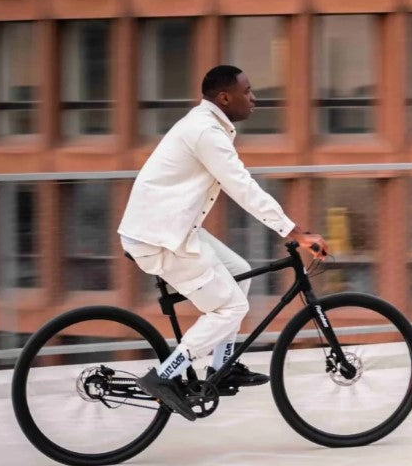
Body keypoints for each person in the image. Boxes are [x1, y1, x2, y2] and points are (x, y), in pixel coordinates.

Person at [118, 65, 329, 421]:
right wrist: (295, 233)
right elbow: (241, 186)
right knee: (228, 308)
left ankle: (224, 365)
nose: (254, 98)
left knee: (240, 273)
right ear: (224, 98)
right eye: (247, 92)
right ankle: (164, 377)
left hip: (174, 229)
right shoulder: (206, 132)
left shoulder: (207, 125)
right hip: (159, 238)